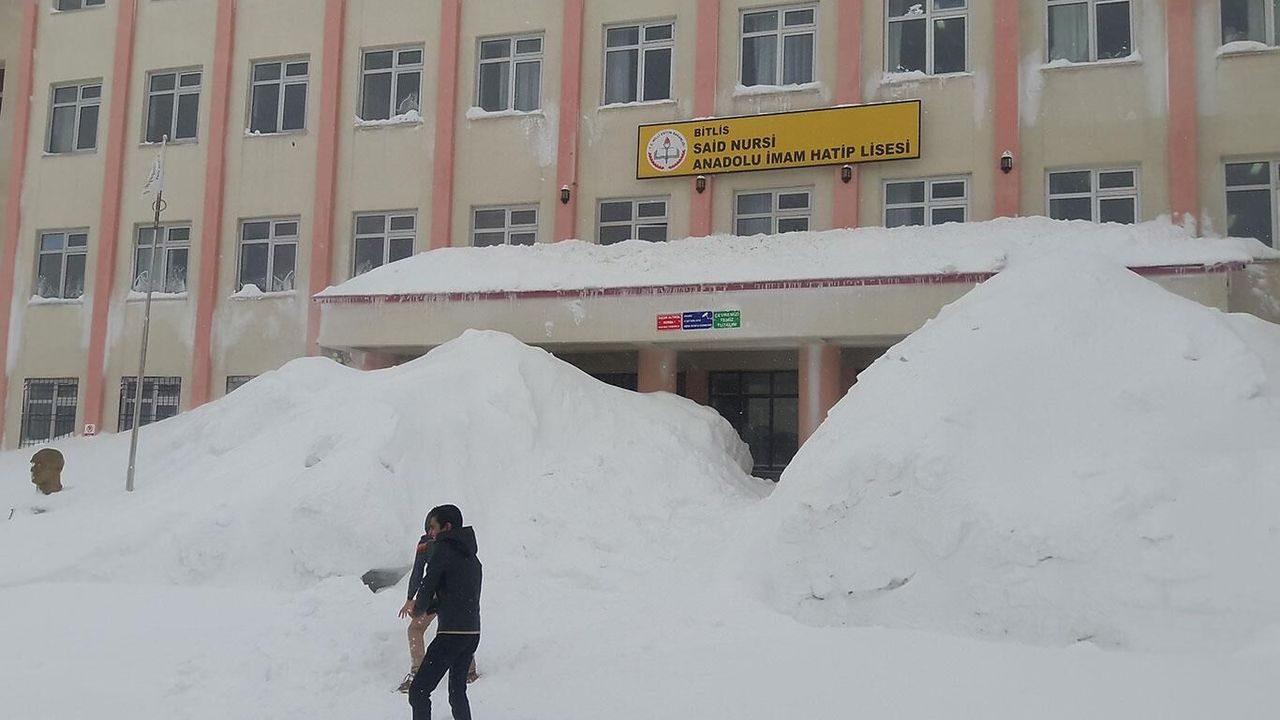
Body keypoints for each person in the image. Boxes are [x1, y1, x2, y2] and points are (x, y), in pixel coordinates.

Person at [406, 504, 482, 720]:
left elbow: (428, 584)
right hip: (472, 633)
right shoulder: (473, 559)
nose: (430, 533)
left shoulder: (442, 550)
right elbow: (455, 596)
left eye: (433, 527)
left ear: (446, 527)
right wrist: (431, 607)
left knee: (418, 693)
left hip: (450, 635)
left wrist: (419, 609)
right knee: (457, 692)